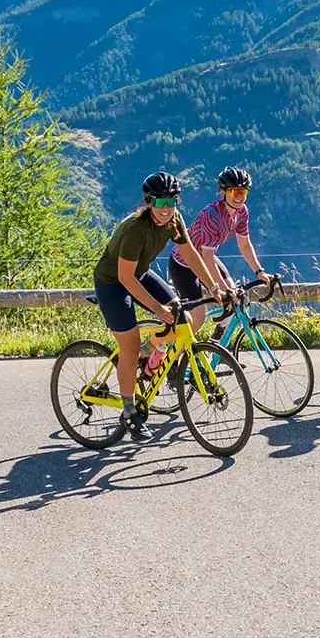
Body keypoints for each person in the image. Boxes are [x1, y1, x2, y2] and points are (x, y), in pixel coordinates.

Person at [94, 171, 229, 441]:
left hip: (140, 274)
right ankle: (129, 412)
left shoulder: (174, 220)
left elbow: (190, 254)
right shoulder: (135, 228)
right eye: (160, 203)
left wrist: (214, 288)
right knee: (129, 346)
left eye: (172, 202)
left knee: (185, 320)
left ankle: (150, 348)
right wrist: (157, 309)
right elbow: (124, 278)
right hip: (113, 282)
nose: (166, 210)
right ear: (149, 202)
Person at [167, 166, 279, 336]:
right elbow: (207, 259)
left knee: (236, 301)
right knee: (197, 319)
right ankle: (176, 360)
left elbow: (245, 244)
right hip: (184, 263)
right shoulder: (212, 215)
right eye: (234, 192)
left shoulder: (242, 212)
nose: (239, 197)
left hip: (206, 258)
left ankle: (215, 351)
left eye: (243, 192)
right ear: (223, 192)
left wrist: (259, 271)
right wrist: (221, 290)